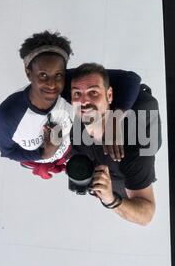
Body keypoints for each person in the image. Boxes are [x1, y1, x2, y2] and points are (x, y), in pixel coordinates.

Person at [0, 31, 141, 179]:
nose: (52, 85)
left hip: (71, 150)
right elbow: (8, 152)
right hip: (45, 159)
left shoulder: (67, 87)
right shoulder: (8, 116)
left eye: (59, 75)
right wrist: (44, 154)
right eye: (43, 75)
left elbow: (131, 80)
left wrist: (113, 121)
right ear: (28, 73)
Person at [69, 63, 162, 226]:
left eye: (93, 92)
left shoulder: (135, 146)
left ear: (109, 95)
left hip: (123, 177)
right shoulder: (74, 128)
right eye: (77, 93)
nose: (84, 101)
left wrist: (110, 200)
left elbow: (147, 214)